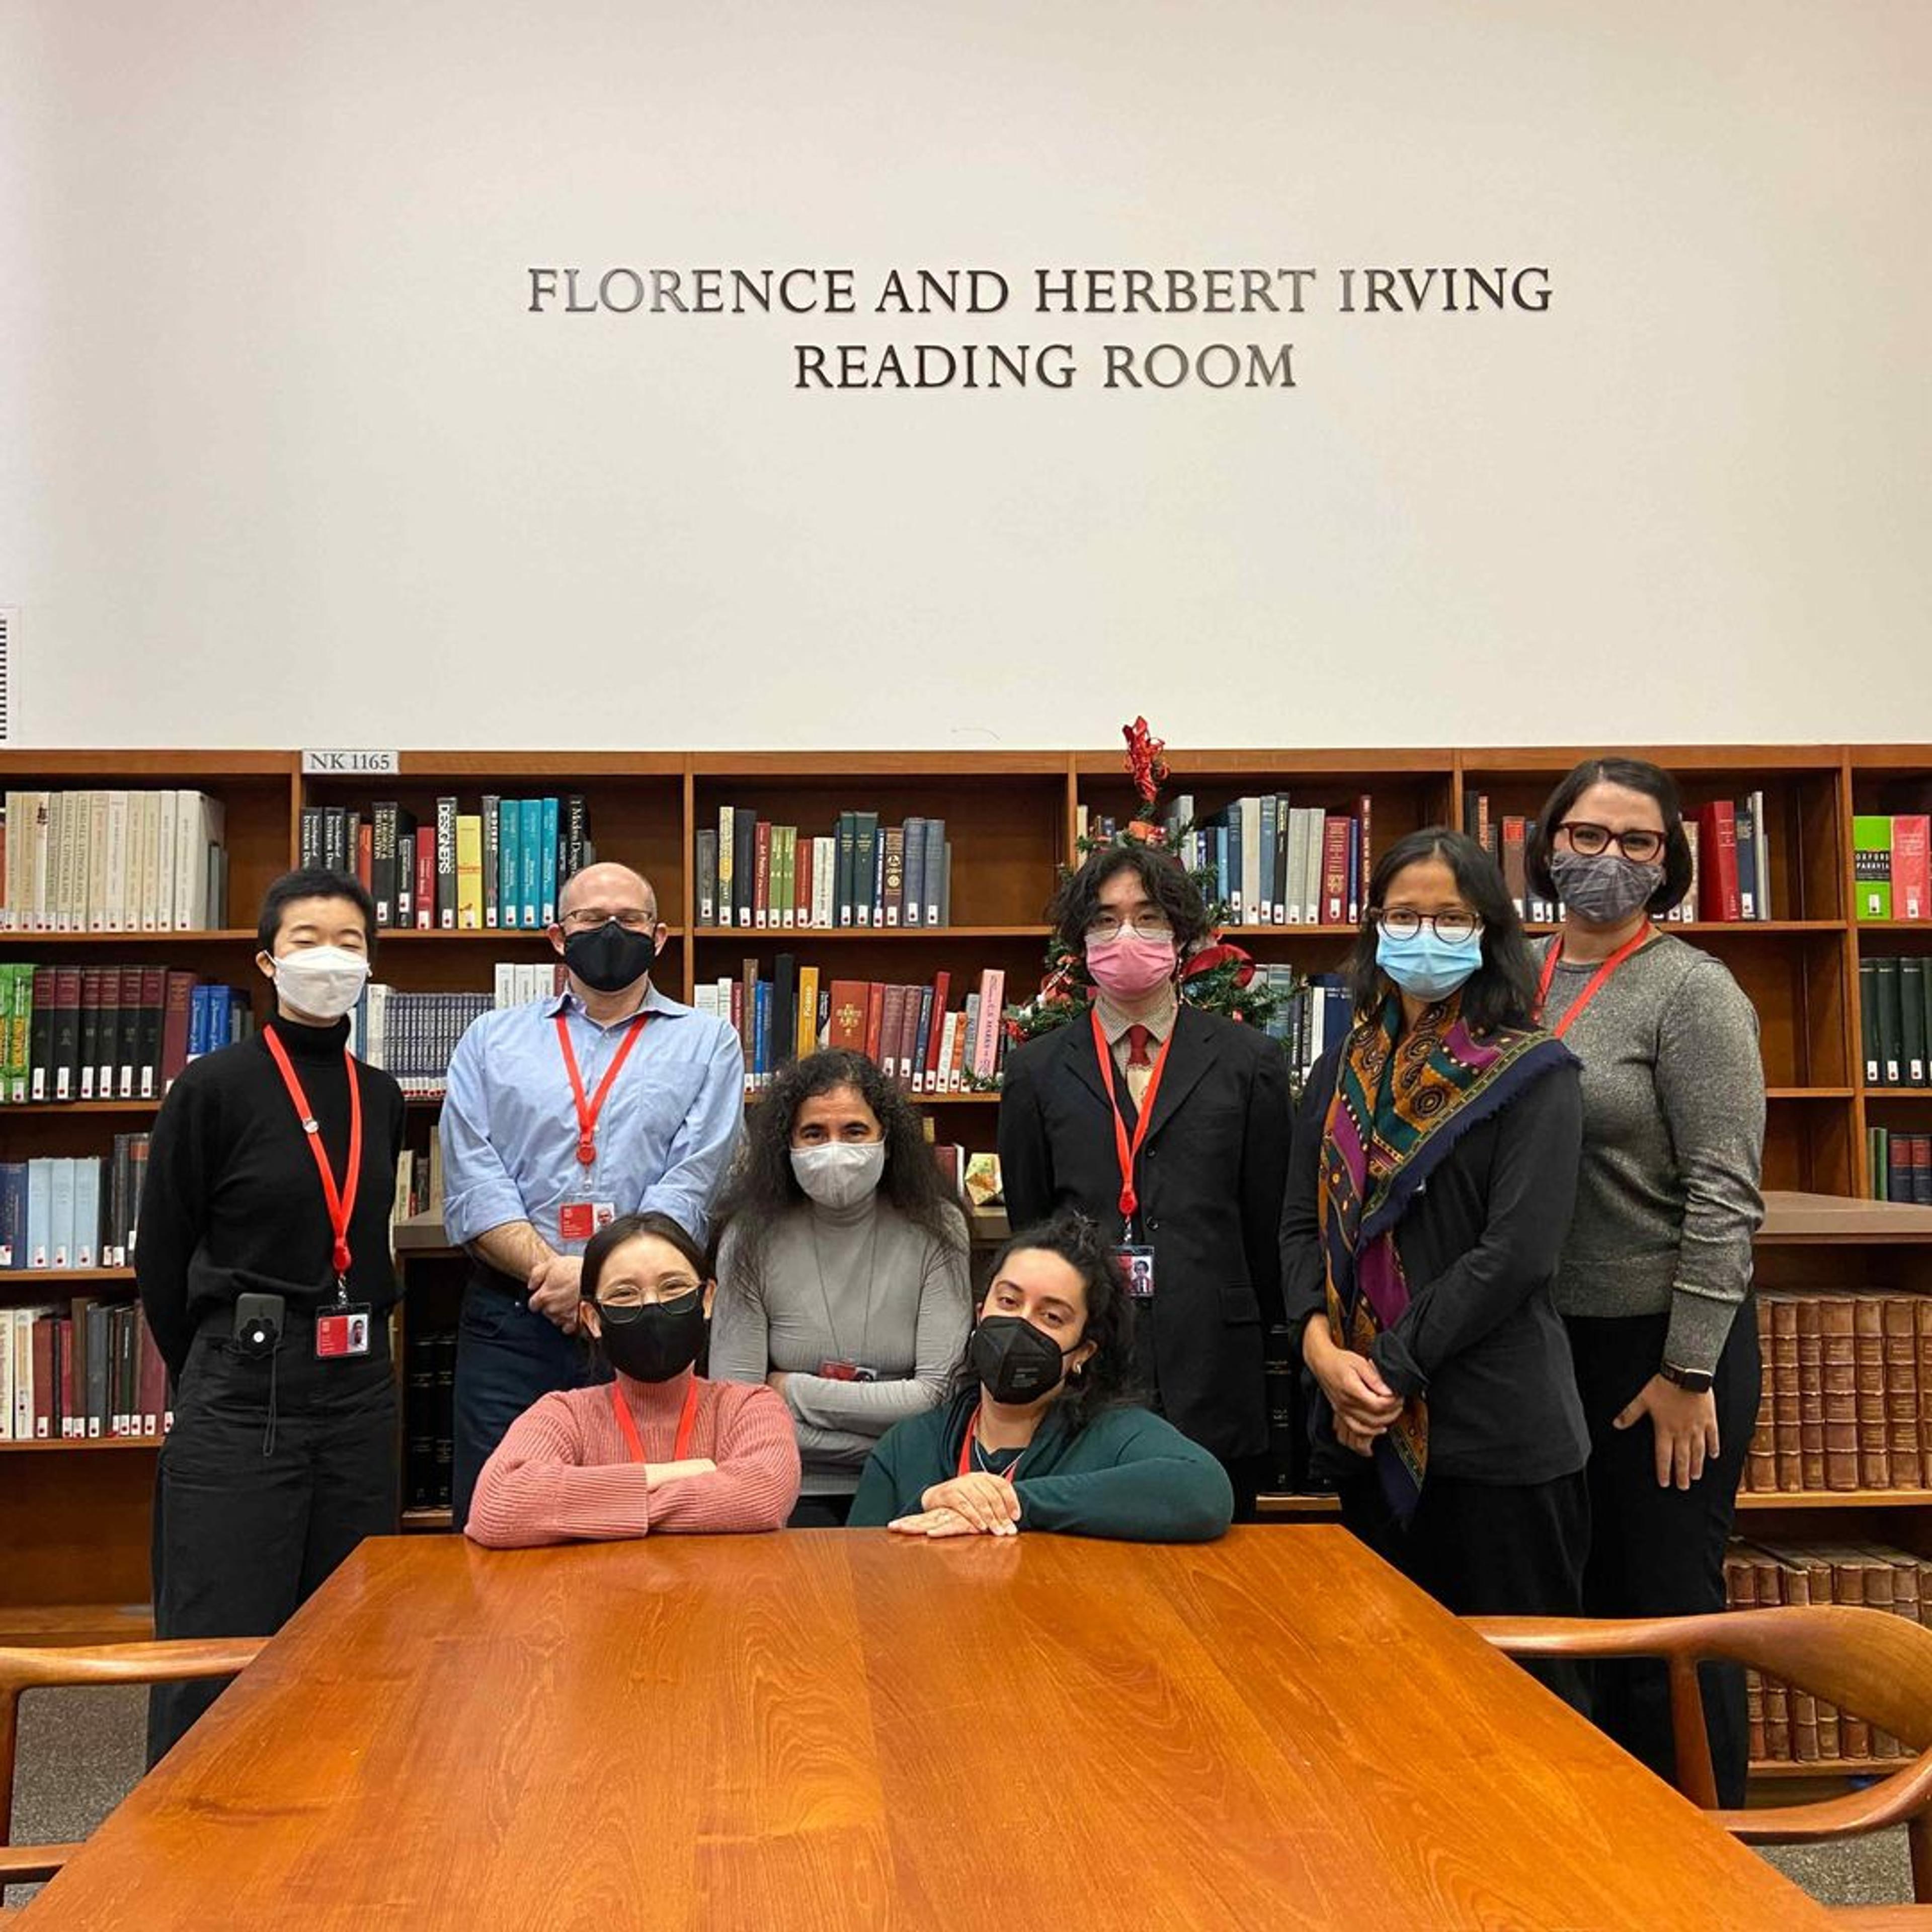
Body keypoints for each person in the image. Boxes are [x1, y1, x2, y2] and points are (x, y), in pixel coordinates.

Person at [1278, 828, 1590, 1692]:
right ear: (1375, 927)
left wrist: (1383, 1370)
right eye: (1403, 914)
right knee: (1388, 1690)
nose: (1424, 933)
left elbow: (1517, 1255)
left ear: (1490, 930)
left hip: (1491, 1434)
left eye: (1450, 917)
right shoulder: (1342, 1066)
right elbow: (1297, 1226)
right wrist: (1317, 1352)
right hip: (1358, 1426)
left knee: (1522, 1698)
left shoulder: (1536, 1073)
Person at [1526, 757, 1765, 1800]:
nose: (1607, 860)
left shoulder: (1693, 991)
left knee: (1664, 1605)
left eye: (1638, 843)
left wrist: (1688, 1369)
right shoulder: (1513, 973)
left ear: (1669, 862)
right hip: (1536, 1346)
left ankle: (1706, 1857)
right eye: (1586, 836)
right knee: (1564, 1602)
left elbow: (1726, 1194)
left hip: (1656, 1353)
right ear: (1547, 843)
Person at [137, 866, 406, 1763]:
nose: (331, 957)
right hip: (244, 1386)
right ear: (266, 960)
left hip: (360, 1387)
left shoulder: (382, 1095)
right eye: (308, 940)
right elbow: (162, 1255)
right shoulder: (212, 1087)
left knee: (352, 1626)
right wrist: (218, 1366)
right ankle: (186, 1856)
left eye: (351, 942)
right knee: (218, 1639)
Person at [441, 860, 744, 1527]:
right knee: (502, 1516)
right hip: (515, 1317)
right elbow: (473, 1177)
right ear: (557, 936)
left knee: (648, 1510)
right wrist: (554, 1276)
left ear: (659, 937)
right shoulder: (491, 1041)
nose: (611, 930)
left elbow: (695, 1179)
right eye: (589, 919)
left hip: (648, 1321)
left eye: (630, 919)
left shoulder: (709, 1044)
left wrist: (599, 1282)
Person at [997, 841, 1290, 1513]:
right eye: (1105, 920)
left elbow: (1268, 1223)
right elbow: (1032, 1228)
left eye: (1148, 917)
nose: (1125, 935)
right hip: (1084, 1368)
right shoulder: (1037, 1071)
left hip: (1215, 1364)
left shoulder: (1250, 1063)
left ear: (1181, 935)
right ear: (1080, 942)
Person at [848, 1213, 1233, 1541]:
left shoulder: (1114, 1433)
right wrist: (931, 1502)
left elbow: (1204, 1492)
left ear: (1083, 1352)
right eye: (1009, 1302)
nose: (1020, 1324)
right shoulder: (908, 1445)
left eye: (1052, 1317)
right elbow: (860, 1569)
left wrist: (1016, 1503)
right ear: (980, 1313)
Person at [709, 1049, 971, 1525]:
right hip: (782, 1484)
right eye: (814, 1134)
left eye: (854, 1132)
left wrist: (791, 1392)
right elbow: (737, 1410)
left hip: (911, 1483)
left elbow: (937, 1398)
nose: (834, 1150)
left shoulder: (940, 1229)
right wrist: (886, 1426)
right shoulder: (748, 1238)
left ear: (886, 1140)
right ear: (786, 1146)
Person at [464, 1212, 800, 1545]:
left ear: (707, 1298)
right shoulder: (563, 1415)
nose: (653, 1305)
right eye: (625, 1294)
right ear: (592, 1318)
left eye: (673, 1287)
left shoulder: (750, 1407)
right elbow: (497, 1506)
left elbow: (763, 1496)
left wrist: (590, 1508)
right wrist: (674, 1474)